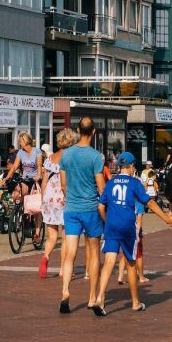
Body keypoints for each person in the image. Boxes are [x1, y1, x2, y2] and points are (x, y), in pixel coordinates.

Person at [94, 152, 172, 315]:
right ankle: (136, 302)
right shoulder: (134, 182)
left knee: (109, 261)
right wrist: (166, 218)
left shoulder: (111, 183)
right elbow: (149, 202)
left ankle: (100, 298)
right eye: (133, 166)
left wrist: (107, 221)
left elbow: (101, 207)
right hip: (128, 226)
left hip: (112, 225)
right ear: (130, 166)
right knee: (131, 263)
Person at [59, 118, 107, 314]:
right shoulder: (96, 157)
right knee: (94, 254)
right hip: (90, 209)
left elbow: (63, 184)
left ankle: (65, 292)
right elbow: (101, 186)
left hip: (71, 209)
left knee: (70, 253)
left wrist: (70, 196)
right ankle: (92, 297)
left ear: (78, 130)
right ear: (94, 132)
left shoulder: (66, 154)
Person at [39, 129, 72, 278]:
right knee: (65, 236)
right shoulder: (71, 158)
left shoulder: (50, 158)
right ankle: (63, 269)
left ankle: (45, 257)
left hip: (49, 199)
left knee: (51, 236)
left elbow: (44, 182)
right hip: (64, 199)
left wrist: (42, 200)